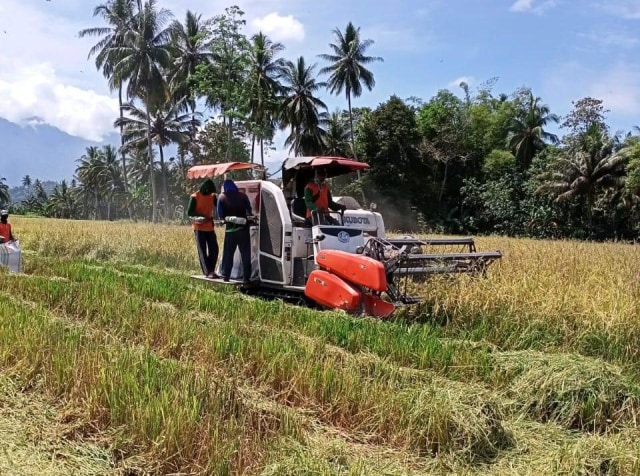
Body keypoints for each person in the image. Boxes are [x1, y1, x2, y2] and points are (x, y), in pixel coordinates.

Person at [217, 179, 252, 283]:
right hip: (243, 229)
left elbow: (220, 215)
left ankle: (225, 276)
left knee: (228, 254)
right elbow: (249, 211)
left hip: (230, 231)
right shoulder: (243, 196)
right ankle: (246, 278)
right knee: (245, 254)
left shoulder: (222, 197)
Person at [187, 179, 219, 279]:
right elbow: (190, 212)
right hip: (199, 227)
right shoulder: (194, 197)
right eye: (209, 191)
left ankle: (212, 270)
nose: (210, 193)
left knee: (214, 249)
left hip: (209, 226)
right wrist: (201, 216)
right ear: (204, 189)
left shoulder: (212, 196)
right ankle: (207, 272)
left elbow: (219, 206)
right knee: (202, 251)